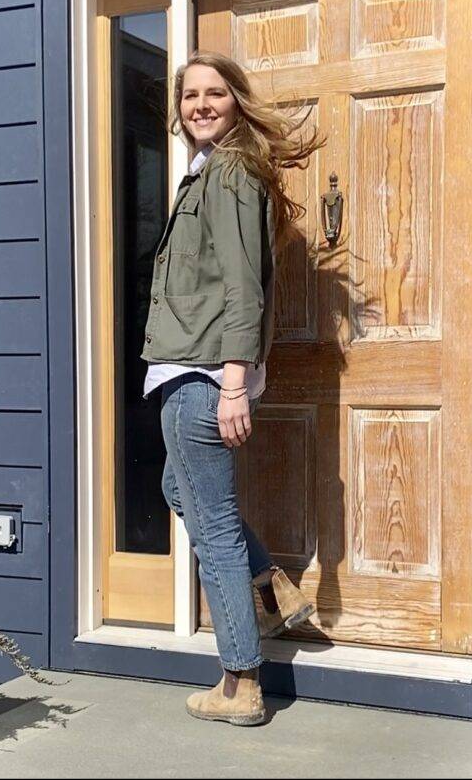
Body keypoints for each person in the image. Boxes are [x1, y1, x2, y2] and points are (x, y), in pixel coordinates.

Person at [140, 51, 324, 726]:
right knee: (175, 490)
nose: (202, 104)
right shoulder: (207, 173)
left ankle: (240, 682)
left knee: (212, 524)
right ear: (179, 108)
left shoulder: (230, 173)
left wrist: (235, 384)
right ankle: (272, 585)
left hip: (201, 372)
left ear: (236, 101)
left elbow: (245, 286)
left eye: (216, 92)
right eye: (191, 95)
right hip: (190, 368)